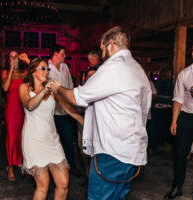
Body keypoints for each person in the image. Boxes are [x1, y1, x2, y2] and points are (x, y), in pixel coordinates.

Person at [50, 26, 152, 200]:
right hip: (132, 148)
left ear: (111, 45)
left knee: (100, 196)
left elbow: (78, 97)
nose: (102, 53)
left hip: (112, 150)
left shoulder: (113, 67)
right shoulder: (137, 68)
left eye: (102, 48)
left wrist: (58, 88)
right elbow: (144, 107)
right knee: (118, 196)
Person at [19, 58, 83, 200]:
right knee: (43, 186)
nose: (47, 71)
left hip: (52, 140)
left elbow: (67, 108)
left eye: (47, 69)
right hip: (34, 140)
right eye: (43, 68)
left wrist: (85, 122)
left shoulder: (52, 89)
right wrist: (44, 91)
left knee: (64, 183)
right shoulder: (24, 87)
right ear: (33, 71)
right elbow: (29, 105)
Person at [164, 41, 193, 200]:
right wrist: (174, 121)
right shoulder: (184, 73)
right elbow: (178, 99)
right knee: (179, 154)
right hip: (185, 117)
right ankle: (177, 187)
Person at [48, 45, 80, 176]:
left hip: (66, 111)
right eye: (62, 54)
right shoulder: (47, 68)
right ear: (55, 54)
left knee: (68, 141)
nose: (65, 56)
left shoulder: (65, 67)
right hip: (51, 113)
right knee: (52, 142)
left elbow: (70, 86)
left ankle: (71, 166)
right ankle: (51, 169)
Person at [2, 50, 29, 181]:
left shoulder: (24, 73)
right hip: (11, 110)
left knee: (22, 136)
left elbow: (36, 75)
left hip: (23, 109)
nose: (13, 59)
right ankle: (10, 166)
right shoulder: (6, 73)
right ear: (9, 60)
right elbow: (5, 88)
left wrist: (28, 61)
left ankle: (21, 162)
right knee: (11, 137)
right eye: (11, 57)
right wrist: (12, 68)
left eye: (16, 57)